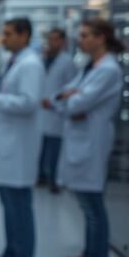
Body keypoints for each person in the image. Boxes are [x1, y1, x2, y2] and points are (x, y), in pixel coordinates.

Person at [56, 18, 124, 257]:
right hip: (81, 139)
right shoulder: (90, 66)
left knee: (93, 205)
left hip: (92, 142)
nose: (80, 40)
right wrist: (69, 100)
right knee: (86, 205)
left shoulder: (108, 70)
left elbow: (76, 103)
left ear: (101, 38)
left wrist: (71, 101)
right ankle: (89, 253)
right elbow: (64, 96)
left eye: (85, 35)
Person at [0, 18, 44, 257]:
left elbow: (30, 102)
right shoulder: (17, 61)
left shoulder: (30, 64)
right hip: (10, 145)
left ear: (24, 35)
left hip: (19, 148)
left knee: (19, 207)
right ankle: (11, 254)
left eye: (8, 33)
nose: (3, 38)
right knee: (10, 205)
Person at [38, 28, 76, 193]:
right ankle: (41, 177)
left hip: (56, 113)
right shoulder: (43, 59)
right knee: (41, 149)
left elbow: (70, 89)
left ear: (63, 41)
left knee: (54, 151)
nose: (51, 43)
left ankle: (53, 180)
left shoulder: (67, 62)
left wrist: (55, 104)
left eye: (55, 39)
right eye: (49, 39)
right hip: (42, 111)